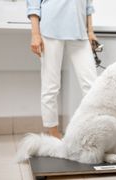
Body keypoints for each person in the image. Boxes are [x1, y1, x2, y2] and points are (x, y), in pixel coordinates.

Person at [26, 0, 98, 139]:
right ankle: (53, 134)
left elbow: (88, 5)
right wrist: (35, 34)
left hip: (79, 32)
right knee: (51, 86)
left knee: (92, 86)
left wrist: (90, 31)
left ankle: (95, 129)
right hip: (50, 30)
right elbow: (33, 5)